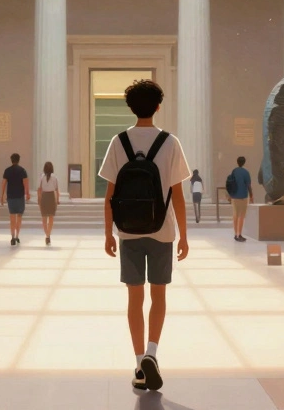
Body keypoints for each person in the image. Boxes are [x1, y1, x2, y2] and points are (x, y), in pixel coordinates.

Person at [101, 79, 189, 393]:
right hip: (163, 230)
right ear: (158, 106)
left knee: (134, 298)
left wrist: (108, 233)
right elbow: (177, 195)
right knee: (159, 295)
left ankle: (139, 363)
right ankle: (152, 352)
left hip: (128, 231)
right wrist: (183, 235)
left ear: (130, 106)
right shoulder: (170, 142)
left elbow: (110, 194)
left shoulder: (118, 141)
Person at [2, 153, 29, 245]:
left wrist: (2, 195)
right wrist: (27, 193)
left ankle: (12, 237)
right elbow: (25, 183)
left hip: (11, 196)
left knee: (12, 217)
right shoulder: (22, 170)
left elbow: (4, 184)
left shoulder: (7, 171)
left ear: (11, 160)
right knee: (19, 217)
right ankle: (17, 236)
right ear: (18, 160)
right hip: (20, 196)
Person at [226, 156, 253, 242]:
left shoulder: (234, 171)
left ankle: (235, 234)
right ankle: (239, 234)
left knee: (235, 215)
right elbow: (249, 185)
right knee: (241, 216)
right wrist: (251, 195)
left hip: (234, 196)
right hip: (243, 197)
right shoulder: (246, 172)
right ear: (244, 162)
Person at [38, 161, 60, 245]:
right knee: (51, 218)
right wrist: (57, 199)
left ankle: (46, 234)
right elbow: (57, 190)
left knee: (44, 218)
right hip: (51, 196)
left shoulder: (42, 177)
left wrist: (39, 199)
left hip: (44, 196)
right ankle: (48, 235)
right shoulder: (54, 177)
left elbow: (39, 189)